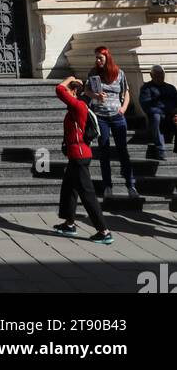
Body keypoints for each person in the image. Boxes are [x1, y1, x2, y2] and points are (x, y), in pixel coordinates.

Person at [54, 75, 112, 243]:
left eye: (69, 90)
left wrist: (69, 78)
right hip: (76, 155)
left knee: (87, 194)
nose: (67, 92)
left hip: (80, 155)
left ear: (74, 91)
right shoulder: (76, 106)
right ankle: (69, 223)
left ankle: (104, 231)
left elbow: (59, 89)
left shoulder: (78, 105)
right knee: (69, 189)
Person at [88, 47, 138, 197]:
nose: (97, 61)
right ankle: (107, 186)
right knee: (104, 150)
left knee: (123, 150)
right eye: (96, 58)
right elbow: (87, 91)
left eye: (100, 58)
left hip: (117, 116)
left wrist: (123, 108)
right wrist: (96, 96)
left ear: (107, 58)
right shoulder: (93, 73)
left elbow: (126, 93)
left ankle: (130, 185)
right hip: (101, 116)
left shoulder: (119, 73)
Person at [139, 66, 177, 161]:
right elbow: (146, 106)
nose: (160, 77)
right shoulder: (146, 88)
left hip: (170, 116)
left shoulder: (170, 88)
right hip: (157, 117)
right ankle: (160, 150)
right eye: (157, 75)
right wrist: (164, 111)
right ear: (151, 75)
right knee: (156, 116)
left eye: (162, 75)